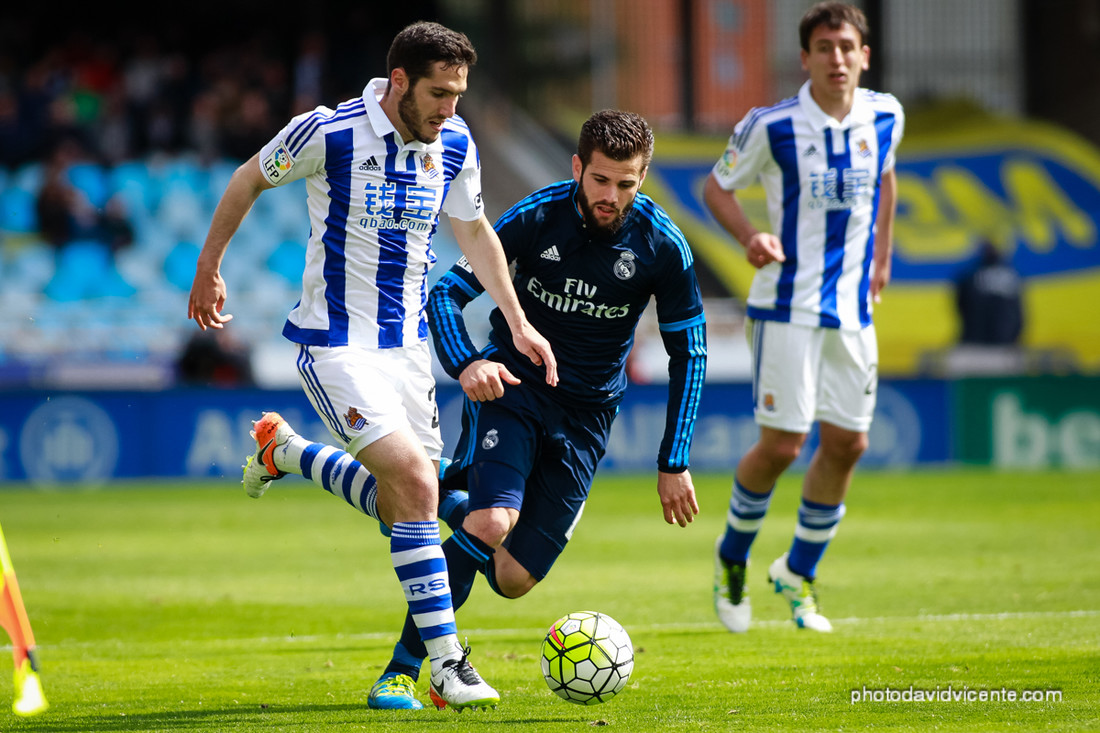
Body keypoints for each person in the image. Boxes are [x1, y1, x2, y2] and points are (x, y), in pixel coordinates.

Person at [187, 21, 557, 711]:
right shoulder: (327, 133)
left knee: (401, 507)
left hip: (407, 352)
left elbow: (474, 231)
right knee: (418, 483)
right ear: (398, 84)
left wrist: (516, 320)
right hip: (334, 344)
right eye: (439, 94)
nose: (451, 109)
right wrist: (210, 268)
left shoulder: (454, 144)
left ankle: (287, 454)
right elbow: (247, 178)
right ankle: (447, 666)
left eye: (459, 95)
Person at [311, 109, 707, 709]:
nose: (611, 195)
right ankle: (406, 670)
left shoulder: (662, 247)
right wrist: (469, 361)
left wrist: (673, 459)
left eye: (626, 184)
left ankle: (327, 464)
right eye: (600, 180)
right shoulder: (537, 215)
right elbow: (447, 291)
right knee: (491, 523)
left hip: (587, 419)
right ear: (578, 168)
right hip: (514, 390)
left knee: (511, 577)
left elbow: (690, 353)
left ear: (643, 179)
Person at [703, 1, 904, 633]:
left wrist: (882, 257)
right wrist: (748, 237)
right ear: (806, 58)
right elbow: (717, 186)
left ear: (863, 55)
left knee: (849, 443)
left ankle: (798, 572)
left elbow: (887, 178)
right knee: (784, 445)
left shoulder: (886, 115)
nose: (837, 58)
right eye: (825, 48)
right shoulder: (774, 126)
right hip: (787, 304)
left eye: (847, 47)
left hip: (852, 310)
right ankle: (732, 558)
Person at [955, 240, 1023, 346]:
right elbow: (1019, 313)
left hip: (976, 340)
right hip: (1005, 340)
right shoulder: (1012, 275)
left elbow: (960, 305)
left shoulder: (969, 276)